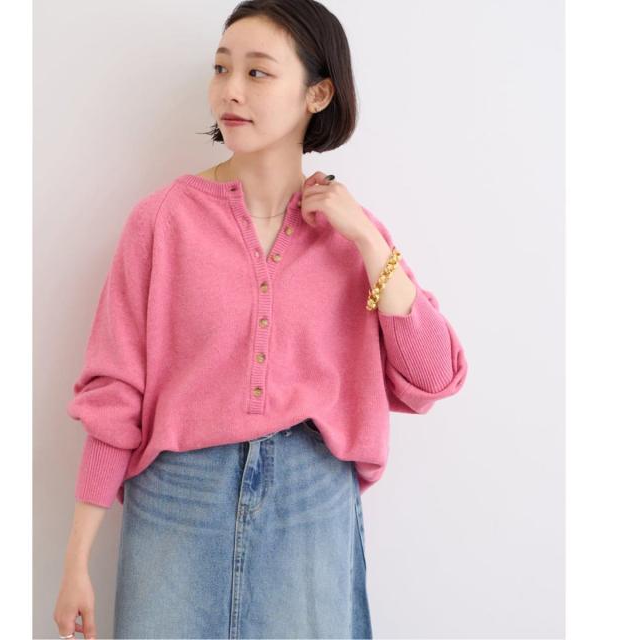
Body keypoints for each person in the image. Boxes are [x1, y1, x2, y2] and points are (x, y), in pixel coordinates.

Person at [53, 1, 468, 638]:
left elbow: (434, 377)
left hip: (311, 500)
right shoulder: (162, 221)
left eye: (257, 72)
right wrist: (76, 559)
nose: (230, 90)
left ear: (318, 94)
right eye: (221, 68)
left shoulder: (353, 236)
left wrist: (366, 240)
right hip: (178, 498)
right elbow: (115, 394)